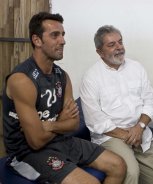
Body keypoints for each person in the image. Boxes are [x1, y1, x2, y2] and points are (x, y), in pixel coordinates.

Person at [2, 12, 126, 184]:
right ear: (37, 40)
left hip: (59, 141)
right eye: (55, 35)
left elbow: (73, 124)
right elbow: (36, 141)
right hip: (27, 153)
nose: (63, 40)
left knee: (118, 165)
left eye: (63, 34)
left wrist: (52, 124)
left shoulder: (62, 76)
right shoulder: (22, 80)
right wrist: (61, 122)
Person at [79, 25, 153, 184]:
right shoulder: (91, 77)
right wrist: (128, 135)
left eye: (120, 42)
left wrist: (139, 127)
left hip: (139, 130)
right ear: (100, 52)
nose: (119, 47)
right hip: (111, 136)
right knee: (131, 173)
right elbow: (95, 122)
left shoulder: (136, 68)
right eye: (111, 45)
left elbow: (150, 100)